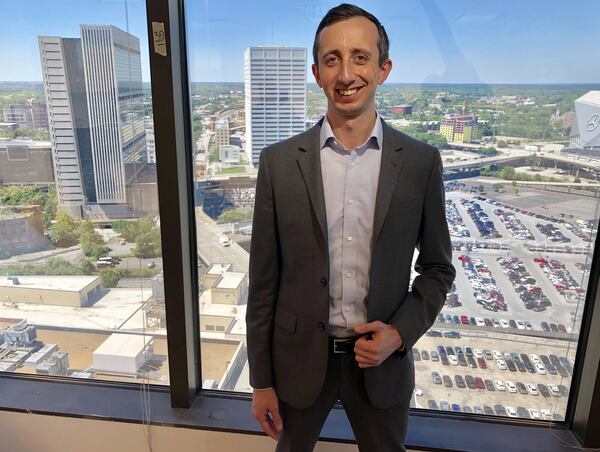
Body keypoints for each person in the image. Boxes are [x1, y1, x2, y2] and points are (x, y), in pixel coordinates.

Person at [246, 3, 455, 451]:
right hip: (298, 364)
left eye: (360, 57)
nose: (346, 74)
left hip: (380, 363)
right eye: (332, 59)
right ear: (317, 73)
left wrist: (399, 334)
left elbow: (438, 269)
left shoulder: (420, 163)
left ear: (384, 68)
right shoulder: (279, 164)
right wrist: (260, 380)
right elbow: (263, 283)